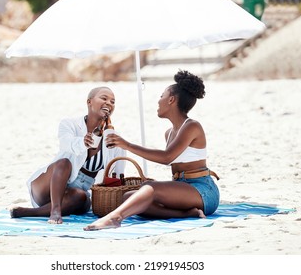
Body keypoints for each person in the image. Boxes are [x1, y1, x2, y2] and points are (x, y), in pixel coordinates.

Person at [84, 70, 220, 231]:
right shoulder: (169, 133)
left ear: (171, 100)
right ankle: (187, 214)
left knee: (150, 188)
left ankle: (115, 218)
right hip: (183, 186)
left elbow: (167, 158)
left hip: (202, 190)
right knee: (129, 197)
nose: (158, 101)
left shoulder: (192, 126)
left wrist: (126, 145)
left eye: (161, 96)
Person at [10, 86, 126, 224]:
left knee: (83, 198)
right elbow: (66, 144)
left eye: (113, 101)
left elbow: (117, 173)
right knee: (64, 163)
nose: (109, 103)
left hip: (73, 195)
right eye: (104, 98)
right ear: (89, 102)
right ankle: (55, 211)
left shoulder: (114, 138)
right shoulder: (70, 124)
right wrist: (83, 142)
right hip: (49, 185)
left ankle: (26, 212)